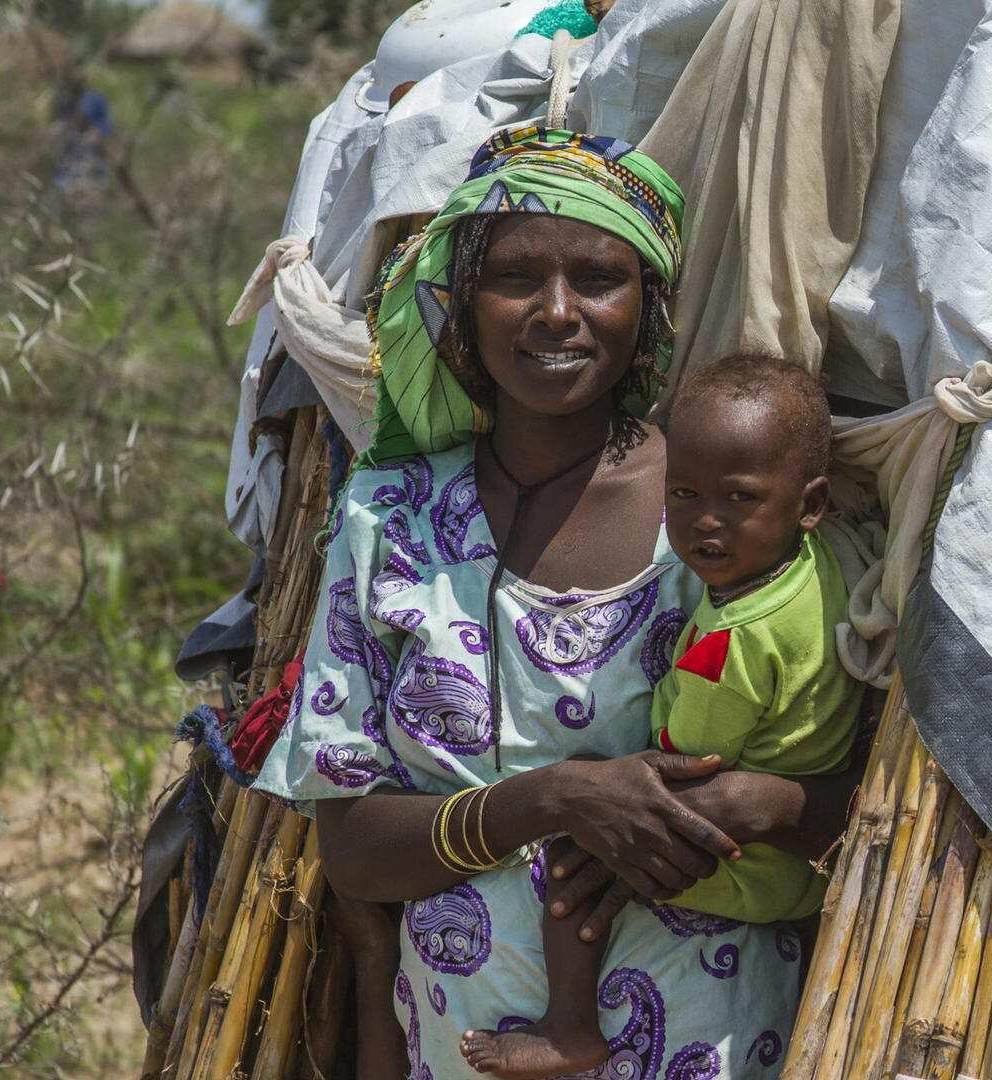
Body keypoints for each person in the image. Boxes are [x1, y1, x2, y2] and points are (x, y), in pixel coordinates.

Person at [253, 126, 858, 1080]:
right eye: (517, 278)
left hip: (710, 1037)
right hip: (467, 1047)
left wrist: (769, 802)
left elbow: (852, 794)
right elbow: (356, 849)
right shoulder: (390, 517)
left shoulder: (721, 519)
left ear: (650, 306)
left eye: (600, 279)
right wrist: (553, 798)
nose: (557, 312)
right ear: (458, 302)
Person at [462, 354, 862, 1078]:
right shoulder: (816, 566)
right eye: (683, 493)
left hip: (751, 865)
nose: (706, 522)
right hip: (802, 858)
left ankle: (570, 1027)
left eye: (739, 500)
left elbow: (684, 763)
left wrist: (601, 791)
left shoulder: (727, 644)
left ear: (809, 503)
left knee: (575, 826)